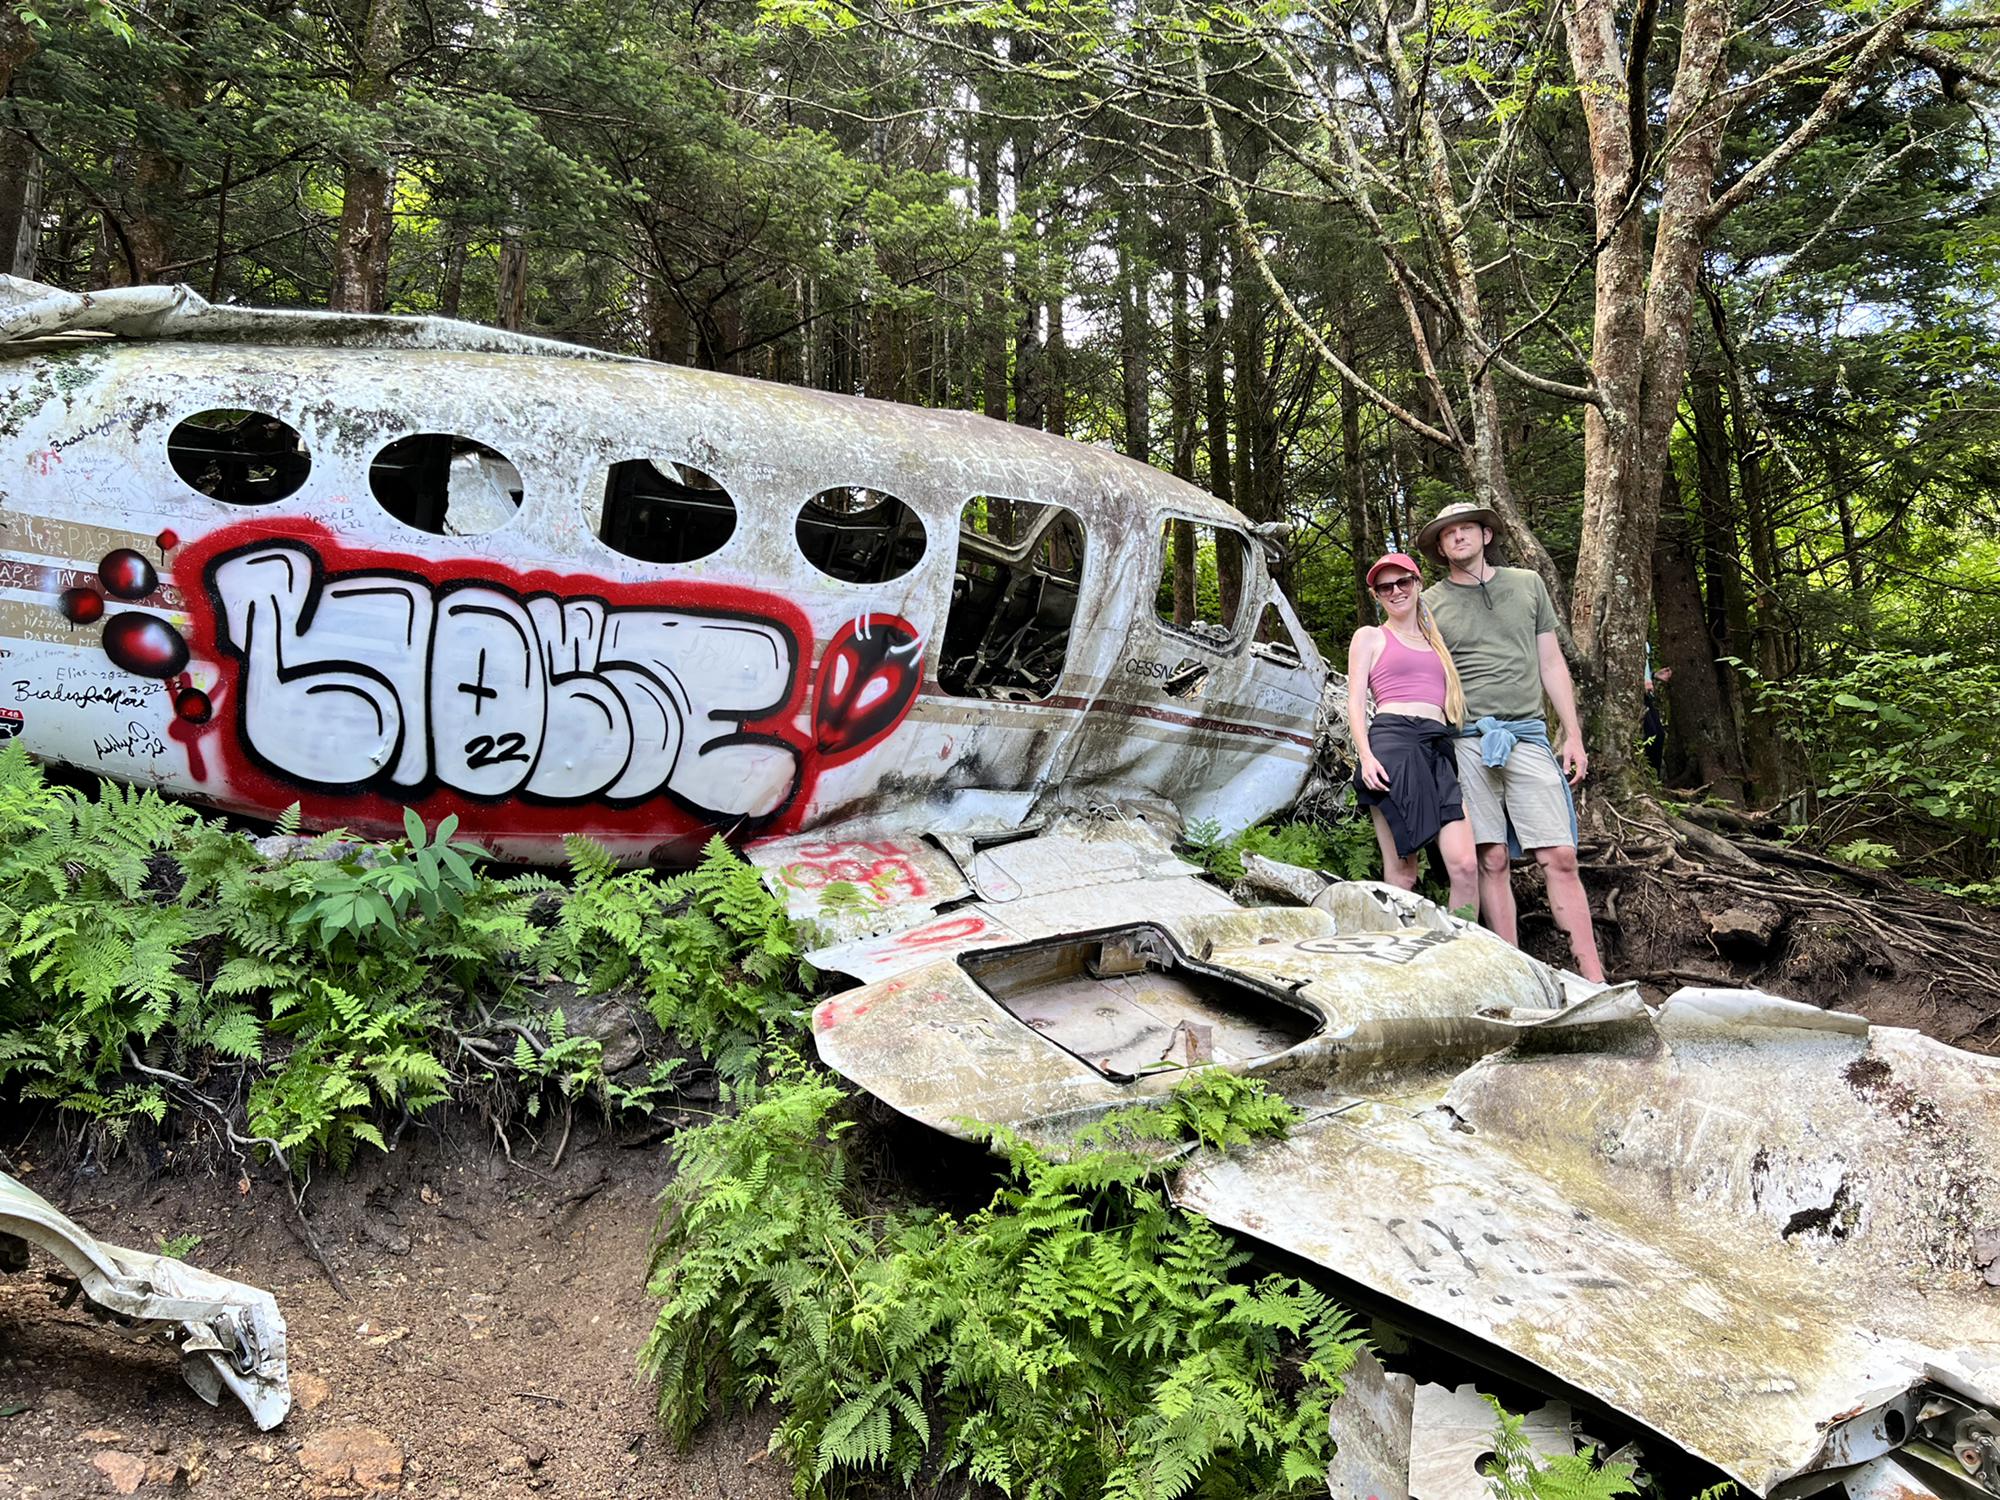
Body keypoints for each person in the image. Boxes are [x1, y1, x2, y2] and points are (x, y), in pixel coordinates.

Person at [1416, 502, 1606, 982]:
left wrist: (1574, 734)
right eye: (1447, 534)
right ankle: (1514, 975)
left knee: (1560, 856)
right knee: (1492, 857)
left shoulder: (1527, 585)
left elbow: (1551, 663)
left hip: (1526, 734)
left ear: (1485, 535)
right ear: (1440, 548)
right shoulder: (1430, 603)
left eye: (1465, 530)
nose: (1457, 538)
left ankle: (1594, 976)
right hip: (1466, 739)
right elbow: (1421, 674)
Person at [1346, 552, 1480, 917]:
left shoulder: (1437, 644)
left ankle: (1462, 955)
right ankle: (1398, 956)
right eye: (1384, 586)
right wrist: (1366, 756)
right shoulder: (1371, 637)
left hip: (1437, 746)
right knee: (1404, 873)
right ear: (1376, 595)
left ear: (1418, 584)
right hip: (1393, 743)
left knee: (1466, 866)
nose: (1395, 591)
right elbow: (1355, 701)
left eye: (1403, 582)